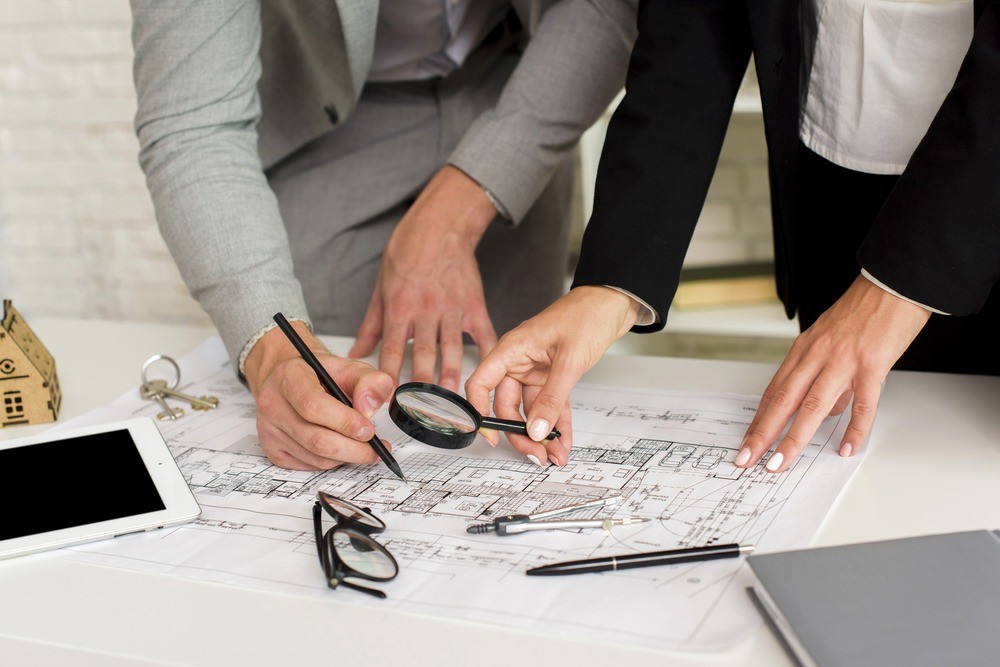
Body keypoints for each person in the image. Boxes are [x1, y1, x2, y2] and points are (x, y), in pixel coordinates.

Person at [466, 0, 1000, 471]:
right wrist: (612, 286)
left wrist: (900, 281)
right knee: (851, 471)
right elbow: (694, 29)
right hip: (829, 173)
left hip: (985, 190)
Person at [129, 1, 637, 469]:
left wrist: (459, 208)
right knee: (316, 405)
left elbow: (608, 6)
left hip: (523, 79)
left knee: (510, 368)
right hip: (328, 114)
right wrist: (271, 353)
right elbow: (193, 122)